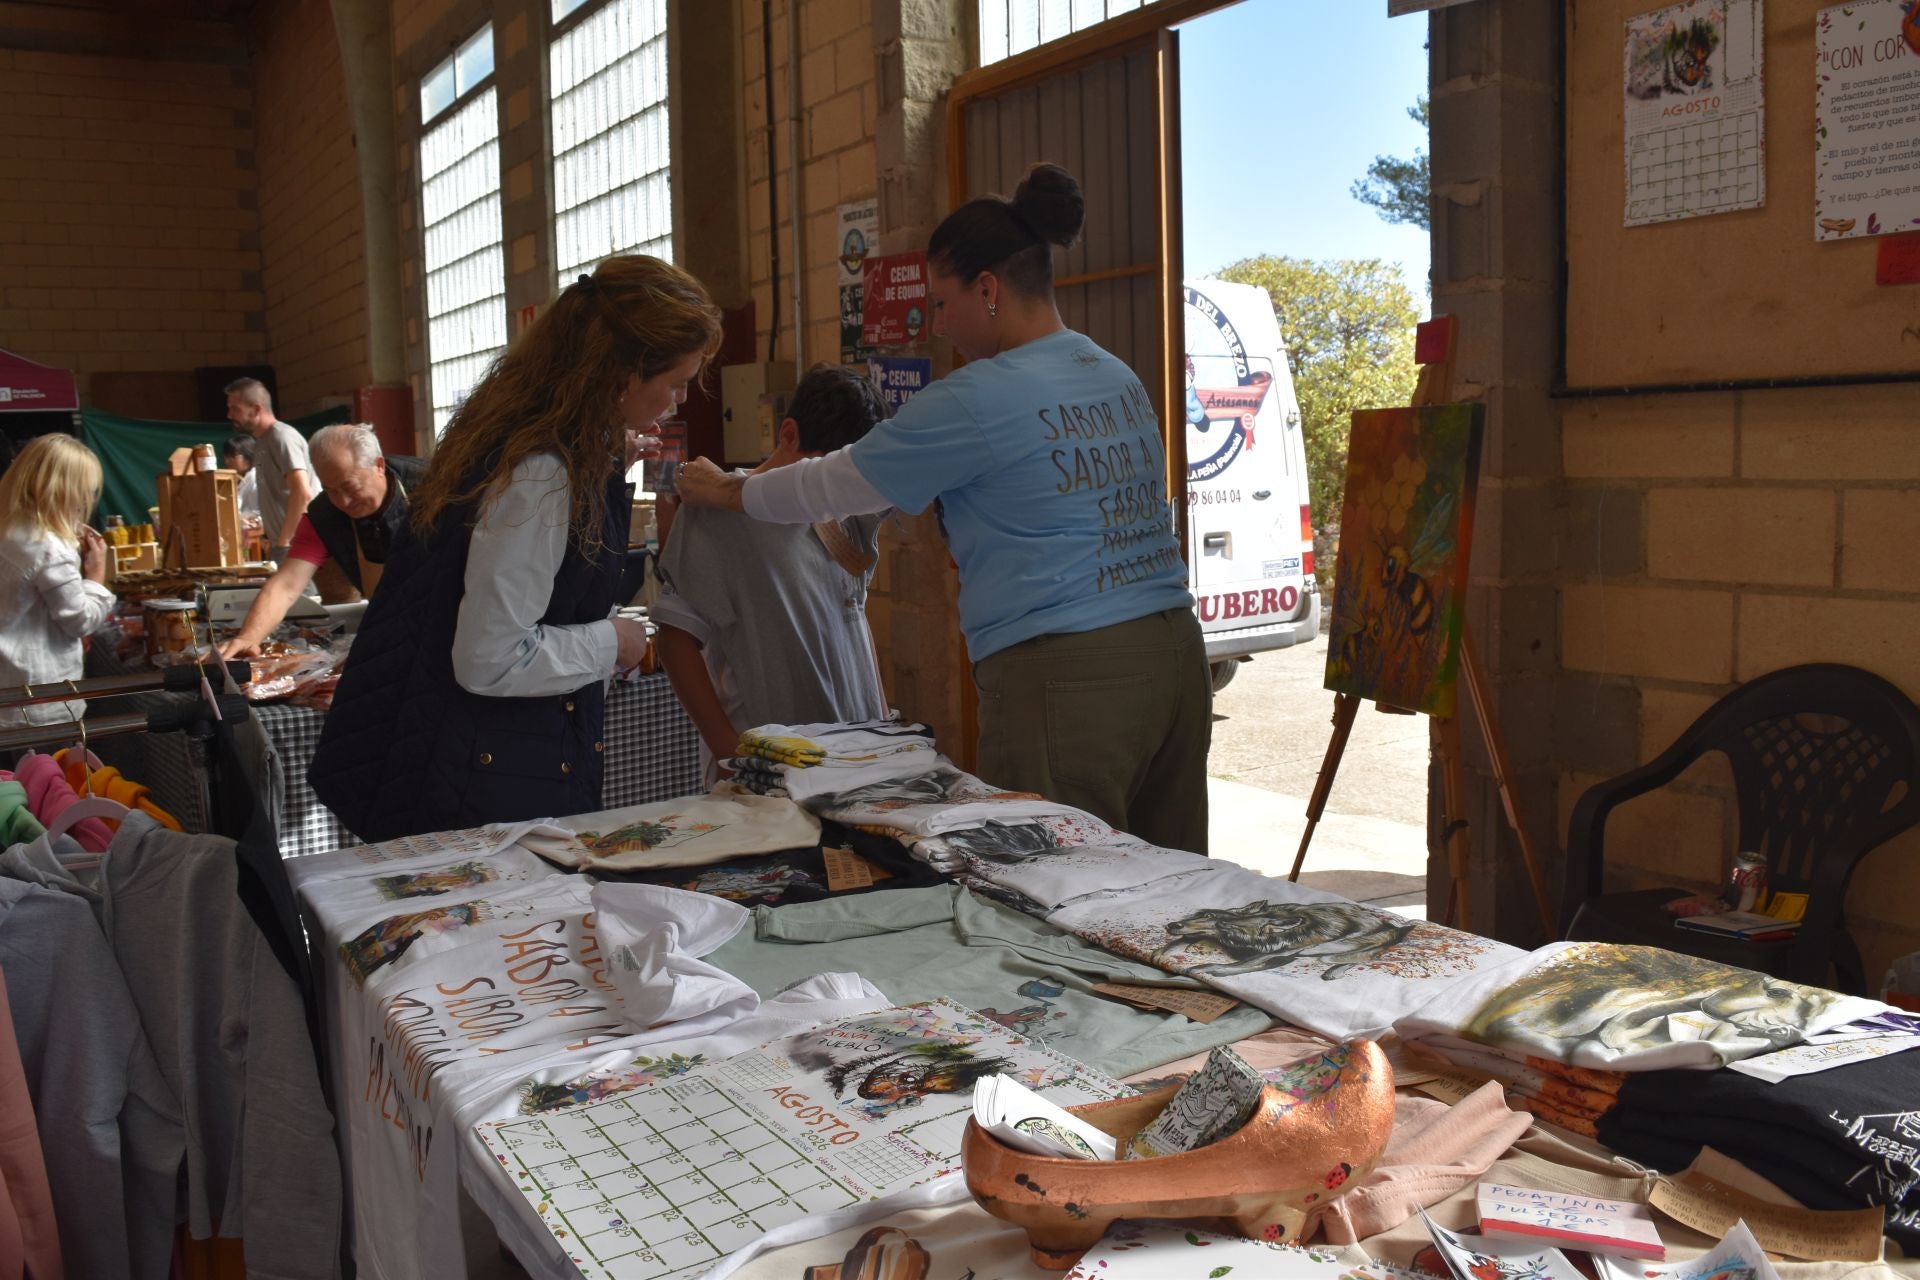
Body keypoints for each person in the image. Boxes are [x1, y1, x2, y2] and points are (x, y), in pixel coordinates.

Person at [677, 164, 1210, 853]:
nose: (938, 321)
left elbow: (832, 484)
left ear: (987, 289)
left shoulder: (979, 396)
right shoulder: (1113, 373)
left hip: (1072, 675)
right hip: (1173, 657)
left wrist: (728, 489)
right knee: (1168, 885)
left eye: (942, 300)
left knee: (1059, 888)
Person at [308, 255, 722, 842]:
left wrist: (602, 467)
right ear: (624, 375)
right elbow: (491, 657)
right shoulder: (540, 473)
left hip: (471, 766)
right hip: (481, 782)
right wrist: (615, 640)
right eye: (675, 383)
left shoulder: (525, 442)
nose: (677, 402)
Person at [653, 364, 892, 774]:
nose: (828, 493)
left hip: (853, 752)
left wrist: (881, 721)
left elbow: (852, 615)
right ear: (788, 435)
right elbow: (675, 640)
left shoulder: (844, 513)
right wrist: (727, 747)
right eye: (820, 474)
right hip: (769, 761)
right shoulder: (717, 515)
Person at [218, 424, 427, 660]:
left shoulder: (434, 485)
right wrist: (248, 637)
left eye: (351, 487)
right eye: (331, 490)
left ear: (378, 466)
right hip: (392, 623)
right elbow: (286, 585)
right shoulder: (323, 516)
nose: (344, 501)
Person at [0, 434, 115, 727]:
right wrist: (97, 575)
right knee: (49, 773)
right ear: (66, 490)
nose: (88, 499)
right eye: (86, 491)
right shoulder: (49, 547)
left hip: (10, 695)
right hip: (38, 704)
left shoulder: (10, 527)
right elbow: (80, 620)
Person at [224, 377, 318, 563]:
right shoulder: (262, 442)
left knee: (303, 593)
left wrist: (284, 542)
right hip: (284, 544)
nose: (229, 415)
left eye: (235, 409)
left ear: (257, 409)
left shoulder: (281, 437)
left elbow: (302, 493)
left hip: (298, 545)